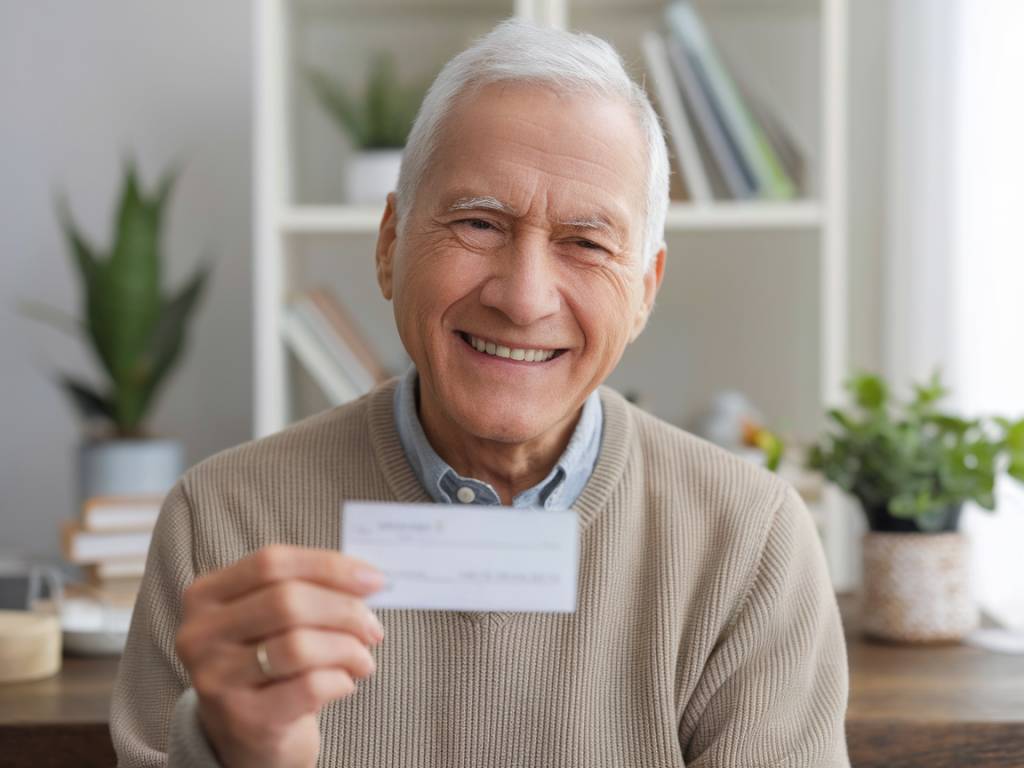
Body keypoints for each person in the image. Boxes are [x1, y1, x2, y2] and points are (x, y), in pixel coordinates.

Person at [111, 17, 850, 768]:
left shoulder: (750, 543)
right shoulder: (223, 522)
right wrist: (245, 753)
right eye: (478, 223)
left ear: (644, 290)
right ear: (390, 245)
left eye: (587, 243)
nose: (524, 299)